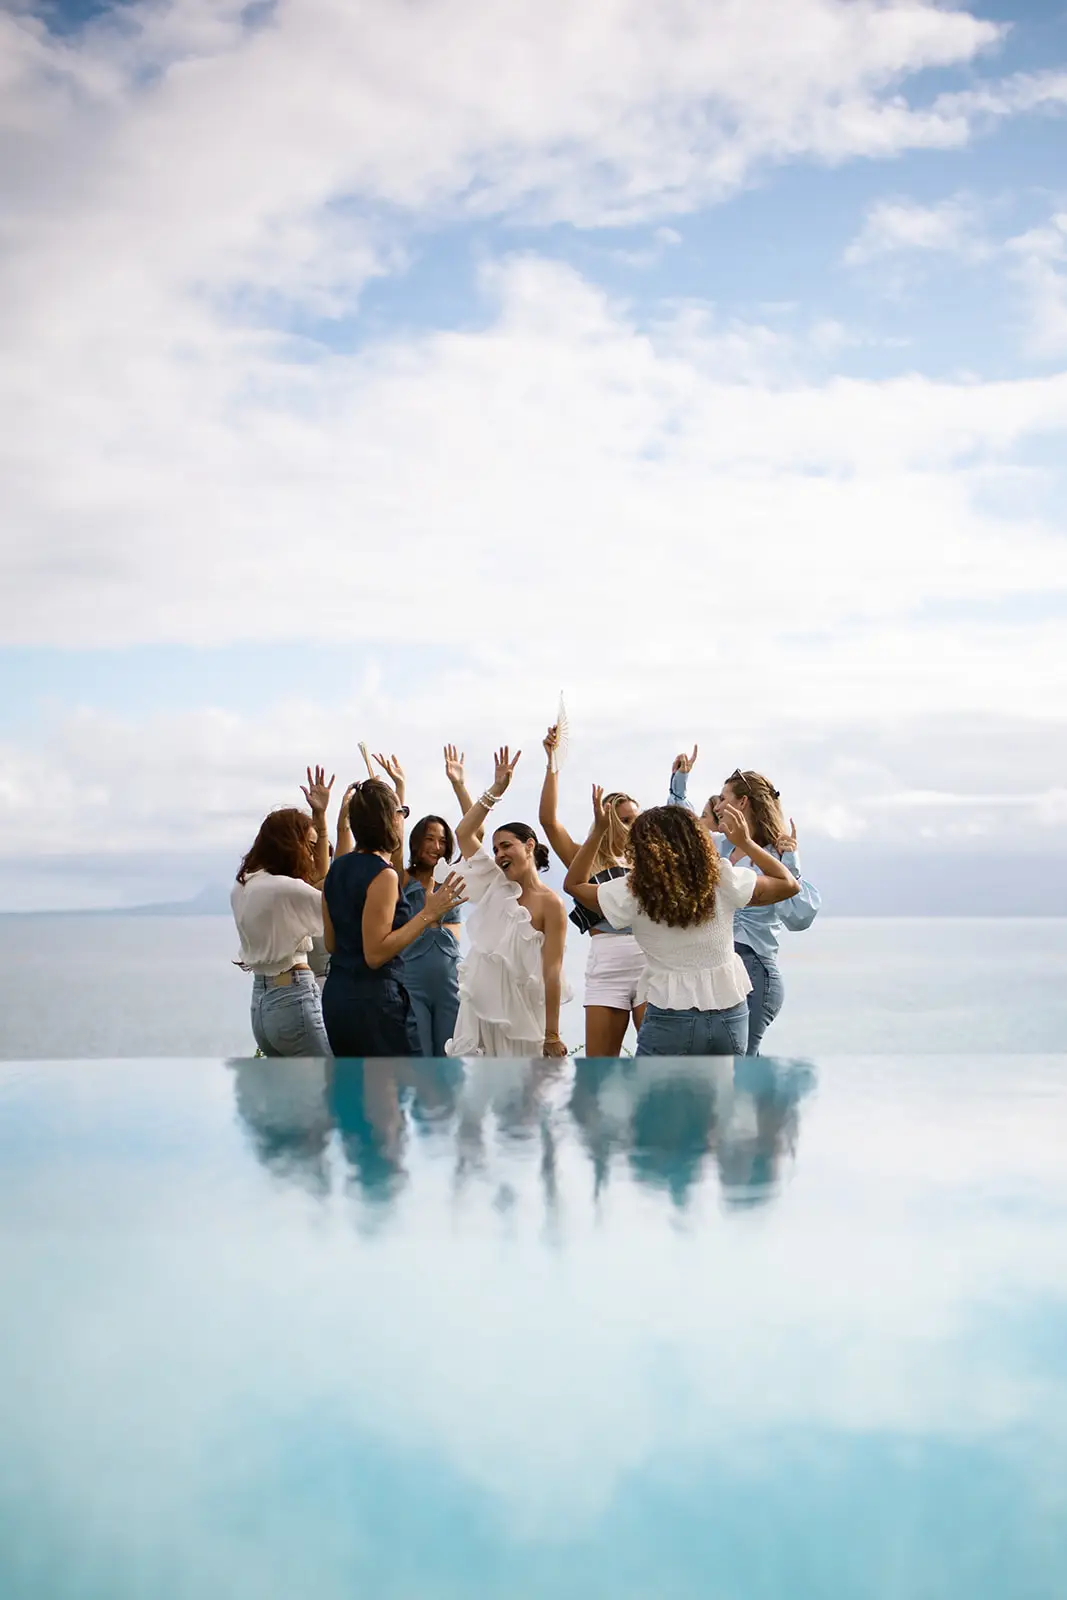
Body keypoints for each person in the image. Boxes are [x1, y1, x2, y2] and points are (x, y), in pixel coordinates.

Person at [564, 787, 800, 1057]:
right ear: (696, 839)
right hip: (729, 1013)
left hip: (669, 1016)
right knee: (719, 1098)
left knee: (658, 1100)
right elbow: (788, 884)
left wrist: (598, 832)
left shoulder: (634, 891)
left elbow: (574, 885)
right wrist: (746, 842)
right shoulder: (723, 879)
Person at [668, 750, 820, 1054]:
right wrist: (679, 782)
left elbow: (799, 916)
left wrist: (790, 861)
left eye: (723, 799)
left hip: (754, 971)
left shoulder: (774, 855)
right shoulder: (717, 849)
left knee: (737, 1070)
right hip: (715, 967)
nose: (718, 806)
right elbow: (680, 830)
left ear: (743, 803)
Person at [321, 778, 465, 1058]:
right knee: (386, 1096)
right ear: (390, 819)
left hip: (337, 997)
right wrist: (428, 914)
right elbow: (375, 954)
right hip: (374, 1002)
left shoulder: (336, 869)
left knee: (352, 1093)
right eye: (402, 812)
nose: (403, 818)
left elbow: (331, 943)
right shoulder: (383, 875)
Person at [447, 747, 570, 1059]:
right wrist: (496, 790)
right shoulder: (494, 882)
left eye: (506, 846)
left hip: (524, 1017)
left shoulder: (551, 905)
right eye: (495, 848)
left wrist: (552, 1034)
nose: (499, 854)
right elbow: (463, 832)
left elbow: (552, 971)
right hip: (482, 1014)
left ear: (529, 846)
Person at [539, 724, 645, 1057]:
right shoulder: (585, 858)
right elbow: (548, 821)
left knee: (658, 1062)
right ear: (607, 817)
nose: (634, 826)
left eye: (636, 819)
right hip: (606, 961)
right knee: (599, 1068)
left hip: (648, 959)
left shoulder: (646, 861)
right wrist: (552, 764)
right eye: (626, 819)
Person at [231, 765, 336, 1056]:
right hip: (293, 998)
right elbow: (328, 896)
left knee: (288, 1098)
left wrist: (319, 819)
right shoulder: (284, 890)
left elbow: (316, 881)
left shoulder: (242, 886)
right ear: (293, 846)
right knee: (330, 1090)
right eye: (310, 846)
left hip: (261, 1005)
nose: (313, 855)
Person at [390, 745, 473, 1057]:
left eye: (442, 840)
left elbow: (474, 830)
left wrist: (459, 784)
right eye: (429, 838)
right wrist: (400, 789)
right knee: (419, 1057)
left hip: (450, 982)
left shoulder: (453, 877)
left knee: (452, 1060)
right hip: (412, 985)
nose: (437, 846)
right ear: (416, 842)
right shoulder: (402, 879)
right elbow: (394, 838)